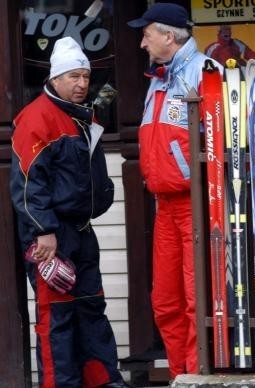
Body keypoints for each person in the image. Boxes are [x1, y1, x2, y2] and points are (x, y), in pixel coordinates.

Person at [10, 37, 127, 388]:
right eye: (73, 76)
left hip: (81, 229)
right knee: (57, 316)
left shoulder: (81, 115)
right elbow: (28, 184)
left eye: (85, 77)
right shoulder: (36, 118)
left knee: (92, 308)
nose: (81, 84)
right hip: (51, 235)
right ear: (56, 78)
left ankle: (103, 381)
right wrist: (42, 230)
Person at [127, 3, 221, 379]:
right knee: (165, 301)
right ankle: (181, 375)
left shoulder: (203, 71)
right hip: (164, 204)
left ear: (168, 35)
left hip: (196, 203)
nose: (142, 43)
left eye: (146, 34)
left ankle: (196, 377)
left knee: (195, 298)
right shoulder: (158, 76)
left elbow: (217, 141)